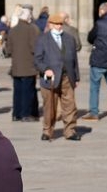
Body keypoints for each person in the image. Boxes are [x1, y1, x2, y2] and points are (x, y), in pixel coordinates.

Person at [34, 12, 81, 141]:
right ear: (50, 25)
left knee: (70, 105)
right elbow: (37, 59)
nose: (59, 26)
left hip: (67, 77)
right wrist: (46, 69)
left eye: (60, 24)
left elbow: (74, 60)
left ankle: (70, 131)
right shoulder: (42, 39)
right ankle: (47, 131)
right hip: (50, 79)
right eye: (56, 24)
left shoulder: (69, 38)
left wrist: (76, 77)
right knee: (50, 106)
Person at [84, 2, 107, 121]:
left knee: (95, 87)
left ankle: (94, 112)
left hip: (98, 60)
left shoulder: (99, 23)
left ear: (102, 11)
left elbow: (90, 38)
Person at [6, 6, 41, 121]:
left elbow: (8, 50)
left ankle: (16, 114)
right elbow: (35, 48)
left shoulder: (12, 30)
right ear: (29, 16)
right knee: (28, 91)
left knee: (17, 91)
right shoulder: (33, 29)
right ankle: (26, 114)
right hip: (29, 66)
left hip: (16, 67)